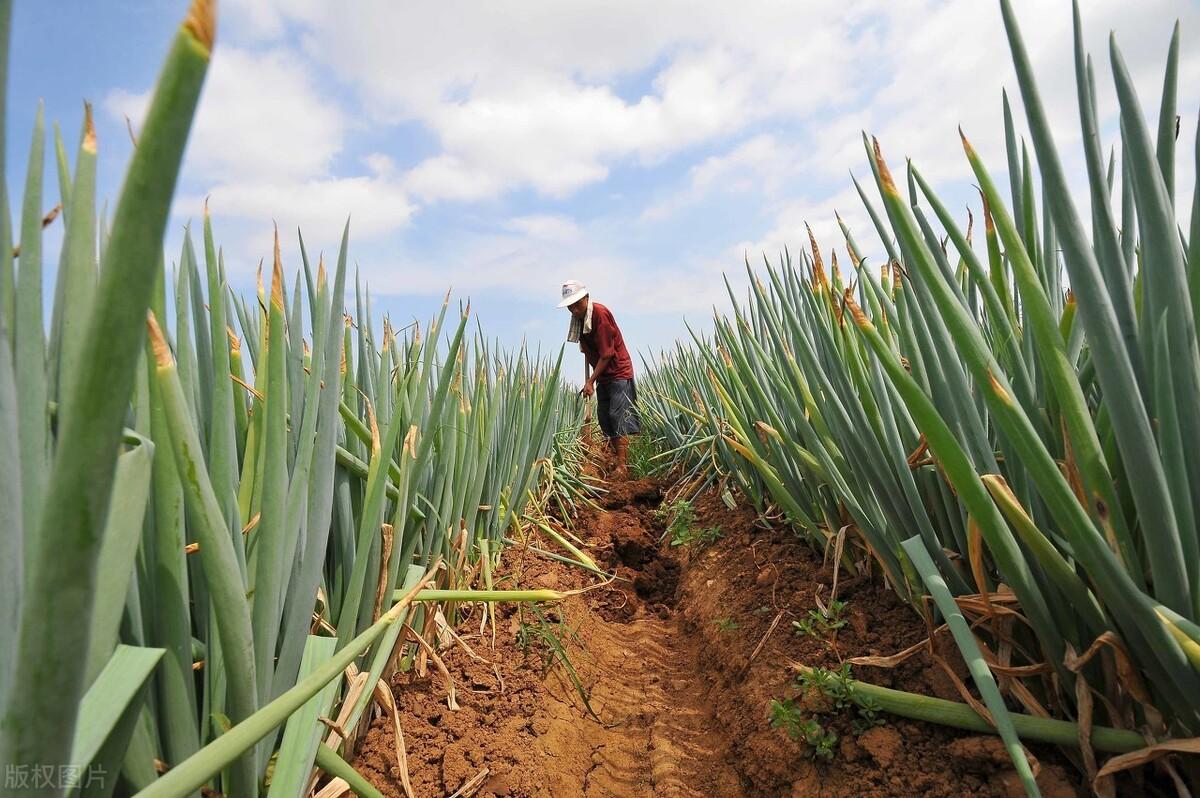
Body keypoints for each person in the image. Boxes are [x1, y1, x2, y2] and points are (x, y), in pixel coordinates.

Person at [558, 280, 640, 477]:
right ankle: (613, 458)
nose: (574, 309)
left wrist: (590, 381)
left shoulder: (600, 314)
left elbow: (607, 354)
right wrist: (593, 375)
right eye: (570, 306)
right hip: (603, 375)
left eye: (577, 304)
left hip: (617, 372)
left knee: (617, 416)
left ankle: (623, 466)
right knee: (604, 418)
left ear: (586, 298)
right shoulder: (579, 320)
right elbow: (589, 350)